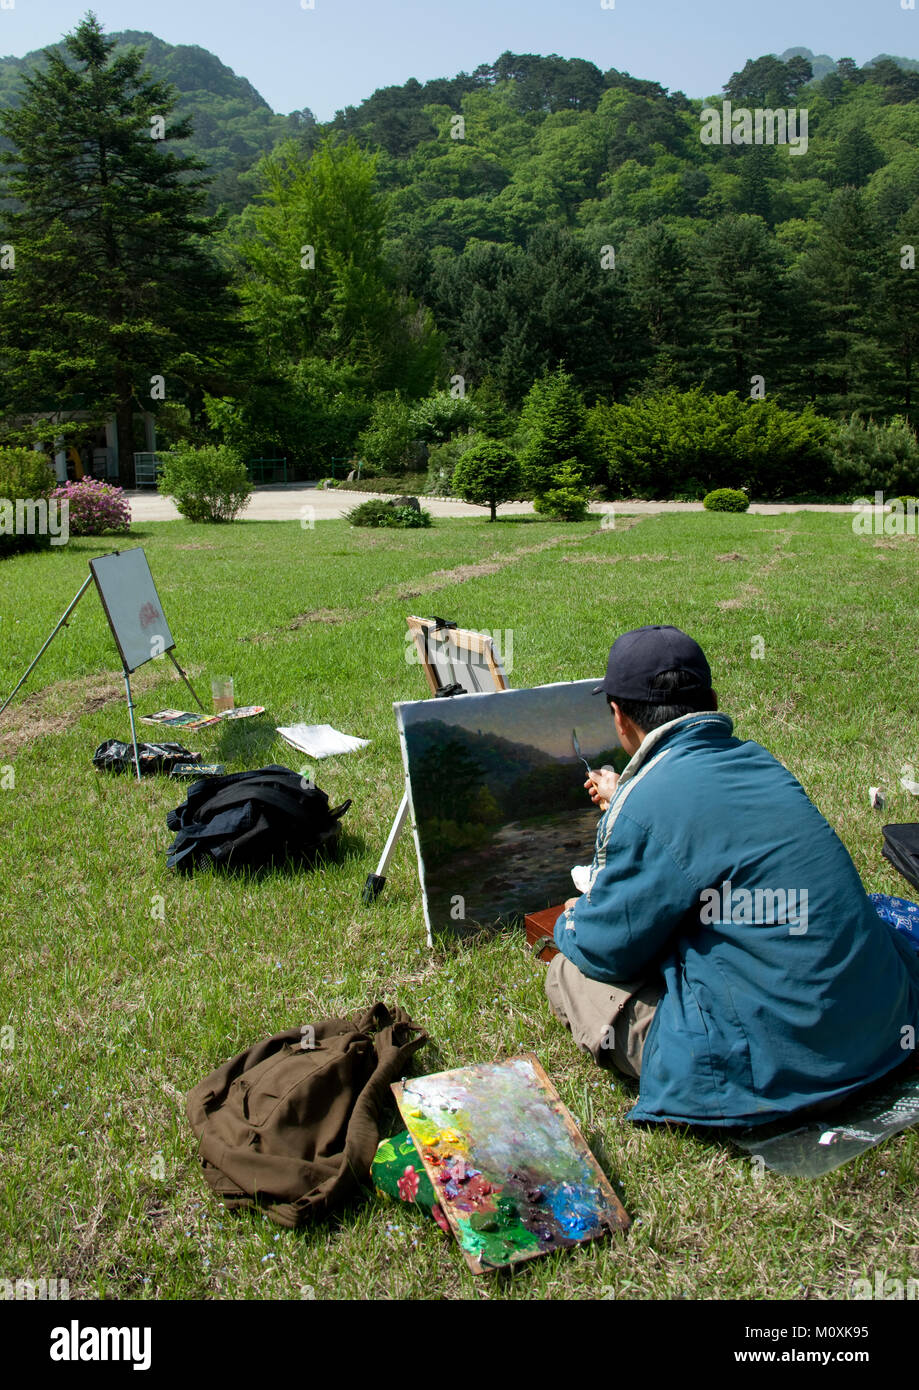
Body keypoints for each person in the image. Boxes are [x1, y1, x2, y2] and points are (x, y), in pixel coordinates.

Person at [546, 624, 919, 1126]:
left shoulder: (644, 807)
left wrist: (570, 921)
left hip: (781, 1073)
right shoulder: (761, 761)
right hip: (882, 1027)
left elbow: (604, 948)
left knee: (568, 971)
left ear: (618, 716)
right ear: (711, 701)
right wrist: (631, 796)